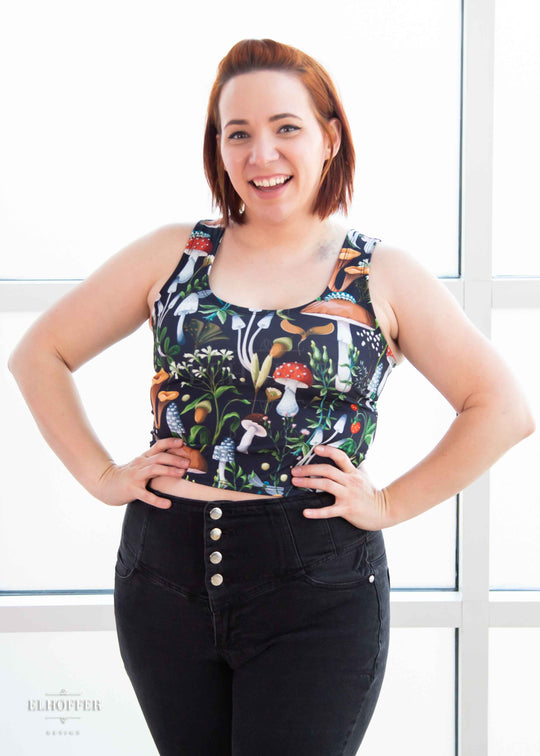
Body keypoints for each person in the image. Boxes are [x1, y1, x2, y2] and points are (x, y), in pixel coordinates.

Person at [8, 37, 535, 756]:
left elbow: (502, 407)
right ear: (218, 148)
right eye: (239, 133)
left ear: (329, 136)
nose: (262, 154)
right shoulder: (175, 253)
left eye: (286, 128)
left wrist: (389, 505)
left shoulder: (379, 272)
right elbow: (40, 353)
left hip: (317, 588)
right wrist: (101, 475)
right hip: (161, 577)